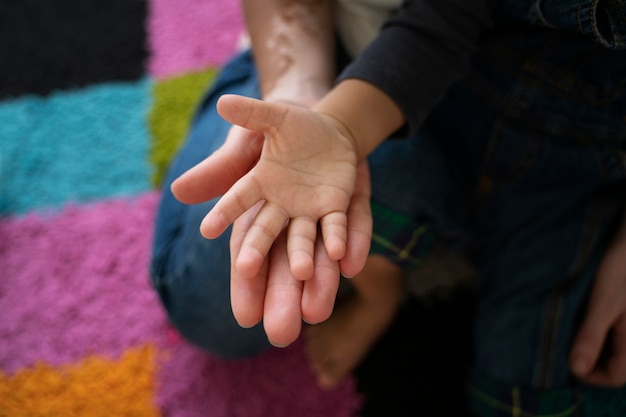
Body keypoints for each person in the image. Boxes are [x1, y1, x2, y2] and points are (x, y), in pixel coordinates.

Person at [168, 0, 626, 415]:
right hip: (409, 97)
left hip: (574, 184)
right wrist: (332, 124)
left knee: (550, 388)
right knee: (218, 306)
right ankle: (380, 280)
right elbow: (443, 20)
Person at [151, 0, 435, 390]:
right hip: (317, 49)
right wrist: (294, 97)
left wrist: (346, 127)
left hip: (469, 110)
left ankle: (384, 265)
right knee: (209, 314)